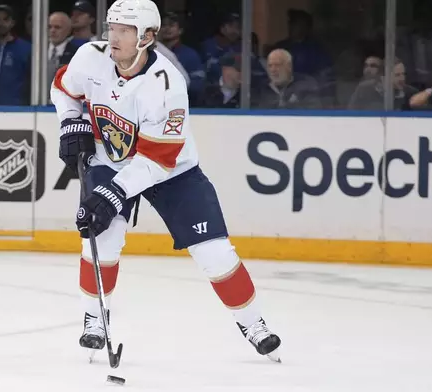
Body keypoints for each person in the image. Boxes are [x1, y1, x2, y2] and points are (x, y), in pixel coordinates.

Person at [50, 0, 281, 360]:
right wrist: (69, 121)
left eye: (124, 31)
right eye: (112, 29)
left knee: (214, 252)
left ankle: (253, 323)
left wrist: (114, 193)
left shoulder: (168, 85)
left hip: (171, 169)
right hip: (110, 159)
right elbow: (64, 89)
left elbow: (157, 159)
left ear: (147, 37)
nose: (114, 38)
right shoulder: (90, 57)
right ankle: (95, 318)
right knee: (99, 236)